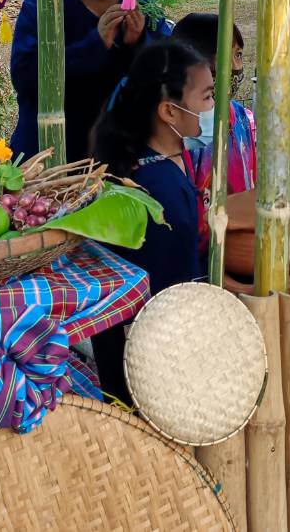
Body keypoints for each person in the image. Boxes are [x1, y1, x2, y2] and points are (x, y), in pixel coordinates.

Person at [87, 40, 212, 401]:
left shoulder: (139, 166)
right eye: (206, 97)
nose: (213, 108)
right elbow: (170, 302)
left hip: (119, 353)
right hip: (151, 371)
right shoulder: (164, 193)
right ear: (169, 113)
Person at [9, 0, 169, 160]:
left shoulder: (144, 7)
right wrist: (95, 43)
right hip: (48, 153)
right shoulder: (48, 1)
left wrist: (136, 44)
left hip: (116, 156)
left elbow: (165, 77)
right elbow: (24, 77)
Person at [170, 12, 257, 196]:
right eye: (225, 56)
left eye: (239, 55)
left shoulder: (242, 117)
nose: (235, 66)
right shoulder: (181, 131)